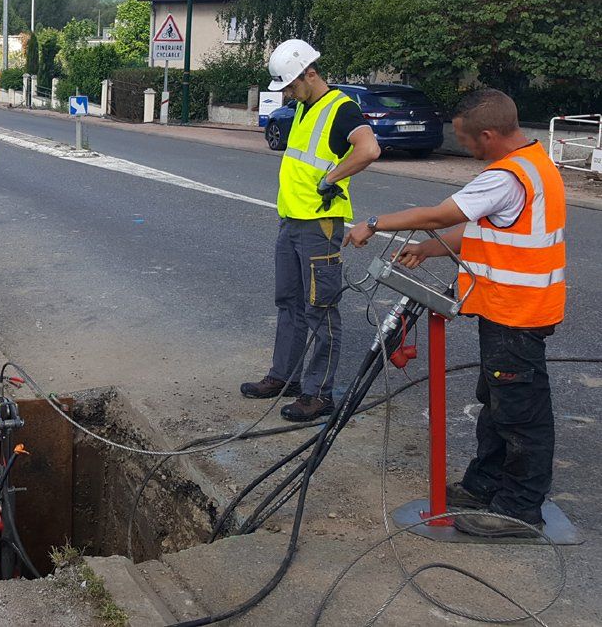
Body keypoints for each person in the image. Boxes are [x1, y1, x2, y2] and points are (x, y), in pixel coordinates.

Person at [345, 88, 566, 538]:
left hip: (515, 313)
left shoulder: (506, 176)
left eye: (467, 141)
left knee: (520, 415)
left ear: (488, 134)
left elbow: (441, 214)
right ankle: (484, 484)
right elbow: (482, 227)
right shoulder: (532, 165)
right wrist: (428, 251)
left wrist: (374, 223)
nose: (465, 148)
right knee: (497, 403)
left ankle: (519, 510)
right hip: (508, 310)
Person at [241, 40, 380, 421]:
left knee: (321, 308)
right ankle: (283, 376)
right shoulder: (303, 106)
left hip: (319, 224)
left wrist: (332, 177)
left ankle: (318, 394)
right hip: (291, 222)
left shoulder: (341, 109)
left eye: (290, 85)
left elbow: (369, 150)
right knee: (289, 303)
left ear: (311, 73)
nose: (286, 93)